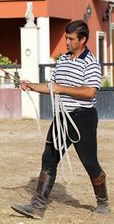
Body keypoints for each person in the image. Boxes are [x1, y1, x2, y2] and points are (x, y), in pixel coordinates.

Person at [11, 20, 110, 219]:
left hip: (83, 118)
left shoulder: (91, 63)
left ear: (82, 40)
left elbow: (90, 92)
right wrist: (31, 86)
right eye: (66, 37)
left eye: (70, 39)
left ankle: (103, 204)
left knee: (90, 162)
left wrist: (61, 89)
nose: (66, 42)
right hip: (62, 117)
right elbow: (52, 86)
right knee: (49, 158)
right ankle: (37, 207)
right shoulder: (63, 59)